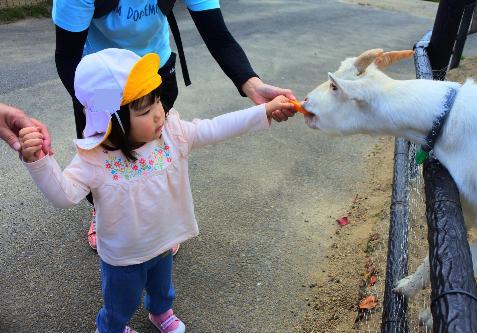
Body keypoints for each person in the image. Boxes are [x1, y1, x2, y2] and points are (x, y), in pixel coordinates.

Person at [19, 48, 296, 333]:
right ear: (113, 119)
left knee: (162, 288)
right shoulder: (94, 159)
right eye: (145, 110)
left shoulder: (172, 135)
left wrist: (263, 110)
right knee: (120, 302)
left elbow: (217, 128)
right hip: (123, 256)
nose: (159, 114)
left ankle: (160, 312)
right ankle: (110, 327)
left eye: (158, 102)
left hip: (164, 240)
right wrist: (39, 161)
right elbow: (64, 196)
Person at [53, 0, 296, 250]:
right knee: (107, 155)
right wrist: (104, 111)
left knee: (156, 153)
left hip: (153, 70)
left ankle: (158, 221)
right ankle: (104, 212)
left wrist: (253, 86)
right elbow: (67, 56)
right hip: (101, 85)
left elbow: (218, 36)